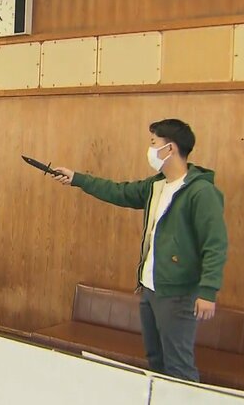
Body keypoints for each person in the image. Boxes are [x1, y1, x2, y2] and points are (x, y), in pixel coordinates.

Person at [51, 118, 227, 382]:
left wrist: (208, 291)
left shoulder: (201, 192)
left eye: (154, 143)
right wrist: (77, 178)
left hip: (178, 294)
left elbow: (215, 244)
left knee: (178, 367)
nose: (150, 149)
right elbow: (118, 192)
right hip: (150, 290)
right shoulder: (156, 186)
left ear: (170, 148)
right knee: (155, 361)